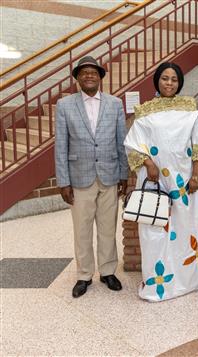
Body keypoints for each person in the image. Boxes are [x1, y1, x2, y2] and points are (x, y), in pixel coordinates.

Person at [124, 62, 198, 302]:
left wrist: (195, 175)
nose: (169, 83)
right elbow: (132, 144)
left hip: (183, 183)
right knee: (155, 229)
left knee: (185, 229)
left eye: (174, 79)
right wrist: (148, 163)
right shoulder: (144, 111)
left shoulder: (191, 109)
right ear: (157, 81)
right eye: (164, 78)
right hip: (154, 180)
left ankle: (188, 280)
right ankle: (157, 284)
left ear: (179, 82)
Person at [55, 56, 128, 298]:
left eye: (93, 72)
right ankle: (84, 275)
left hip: (109, 175)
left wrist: (124, 174)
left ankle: (108, 271)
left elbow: (121, 141)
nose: (89, 76)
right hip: (79, 177)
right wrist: (63, 181)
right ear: (77, 78)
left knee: (108, 228)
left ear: (100, 77)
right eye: (83, 72)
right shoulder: (65, 105)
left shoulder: (115, 104)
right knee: (82, 229)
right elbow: (61, 146)